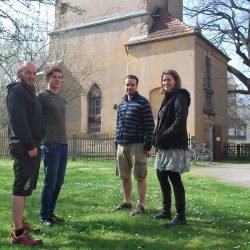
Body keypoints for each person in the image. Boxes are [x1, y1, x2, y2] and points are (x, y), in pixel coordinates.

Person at [6, 61, 43, 245]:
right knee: (20, 188)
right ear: (19, 73)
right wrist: (30, 146)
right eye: (28, 72)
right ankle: (18, 233)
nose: (32, 76)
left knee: (26, 188)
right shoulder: (16, 92)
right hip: (24, 148)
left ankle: (19, 223)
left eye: (34, 73)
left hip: (33, 146)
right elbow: (19, 122)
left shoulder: (29, 92)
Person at [153, 69, 191, 227]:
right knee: (161, 176)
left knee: (175, 179)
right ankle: (166, 211)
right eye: (163, 80)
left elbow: (180, 121)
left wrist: (163, 135)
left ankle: (181, 217)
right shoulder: (168, 98)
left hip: (173, 144)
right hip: (163, 145)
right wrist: (157, 138)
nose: (165, 83)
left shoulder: (180, 96)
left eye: (168, 80)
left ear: (176, 80)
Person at [113, 74, 155, 216]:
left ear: (137, 86)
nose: (129, 87)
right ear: (124, 86)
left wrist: (148, 145)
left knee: (140, 175)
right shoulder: (122, 103)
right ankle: (127, 202)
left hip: (138, 144)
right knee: (124, 175)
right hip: (122, 144)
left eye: (132, 84)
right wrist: (116, 142)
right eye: (127, 84)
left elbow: (150, 124)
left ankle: (140, 205)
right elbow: (117, 124)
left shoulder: (143, 102)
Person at [39, 67, 68, 226]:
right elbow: (34, 118)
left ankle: (51, 213)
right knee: (49, 182)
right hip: (49, 144)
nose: (58, 79)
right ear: (47, 79)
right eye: (55, 77)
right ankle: (44, 217)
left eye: (60, 77)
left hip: (63, 144)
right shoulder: (41, 97)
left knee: (59, 182)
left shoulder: (62, 99)